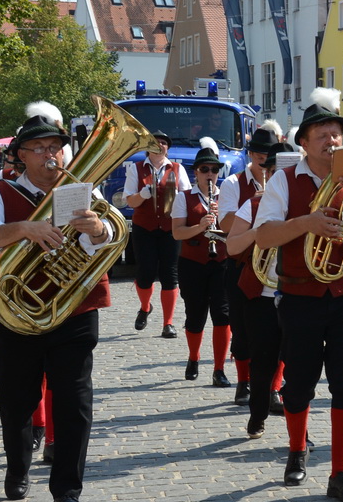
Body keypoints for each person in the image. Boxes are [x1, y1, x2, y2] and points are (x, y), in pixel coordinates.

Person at [0, 102, 115, 502]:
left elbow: (109, 238)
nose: (50, 154)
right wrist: (24, 229)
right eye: (39, 147)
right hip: (18, 314)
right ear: (21, 155)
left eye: (56, 146)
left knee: (74, 401)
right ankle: (18, 466)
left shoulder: (82, 188)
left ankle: (66, 490)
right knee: (16, 401)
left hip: (74, 312)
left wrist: (98, 228)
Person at [253, 87, 343, 502]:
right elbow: (264, 234)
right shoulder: (283, 181)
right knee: (298, 386)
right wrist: (307, 222)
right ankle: (296, 451)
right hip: (300, 296)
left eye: (337, 134)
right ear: (303, 143)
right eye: (322, 134)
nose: (332, 141)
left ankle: (340, 472)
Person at [221, 120, 283, 405]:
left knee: (279, 335)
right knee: (242, 329)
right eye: (259, 156)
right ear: (251, 155)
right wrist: (261, 205)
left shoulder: (283, 184)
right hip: (243, 264)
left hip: (278, 266)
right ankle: (244, 381)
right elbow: (225, 223)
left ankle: (273, 388)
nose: (263, 161)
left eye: (269, 158)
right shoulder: (234, 183)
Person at [170, 139, 233, 386]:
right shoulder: (183, 198)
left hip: (221, 263)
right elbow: (177, 233)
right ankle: (194, 357)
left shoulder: (226, 196)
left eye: (214, 170)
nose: (210, 174)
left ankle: (219, 369)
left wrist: (221, 222)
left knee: (222, 315)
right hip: (192, 263)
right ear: (195, 172)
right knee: (195, 316)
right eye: (204, 169)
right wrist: (201, 226)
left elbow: (236, 230)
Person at [116, 131, 187, 337]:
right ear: (149, 148)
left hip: (169, 229)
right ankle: (145, 307)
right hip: (144, 228)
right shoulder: (136, 169)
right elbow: (129, 201)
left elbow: (185, 196)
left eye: (164, 143)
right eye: (156, 142)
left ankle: (168, 323)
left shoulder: (177, 168)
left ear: (167, 149)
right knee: (145, 273)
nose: (160, 145)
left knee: (170, 275)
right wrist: (143, 194)